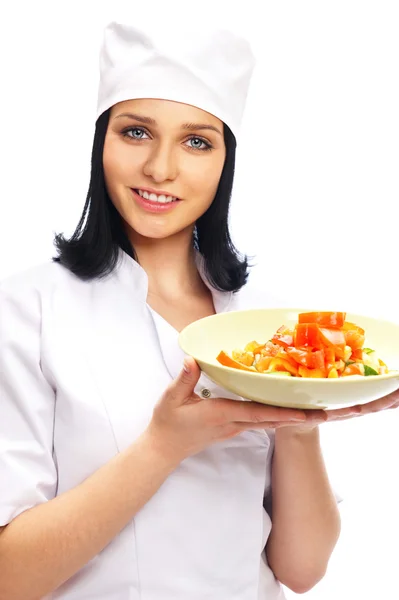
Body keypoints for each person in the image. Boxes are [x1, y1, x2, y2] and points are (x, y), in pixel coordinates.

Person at [0, 21, 398, 600]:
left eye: (196, 142)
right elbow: (9, 577)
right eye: (135, 132)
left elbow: (303, 570)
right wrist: (165, 444)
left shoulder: (265, 326)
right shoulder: (28, 310)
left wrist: (301, 414)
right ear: (100, 143)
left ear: (224, 162)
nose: (161, 169)